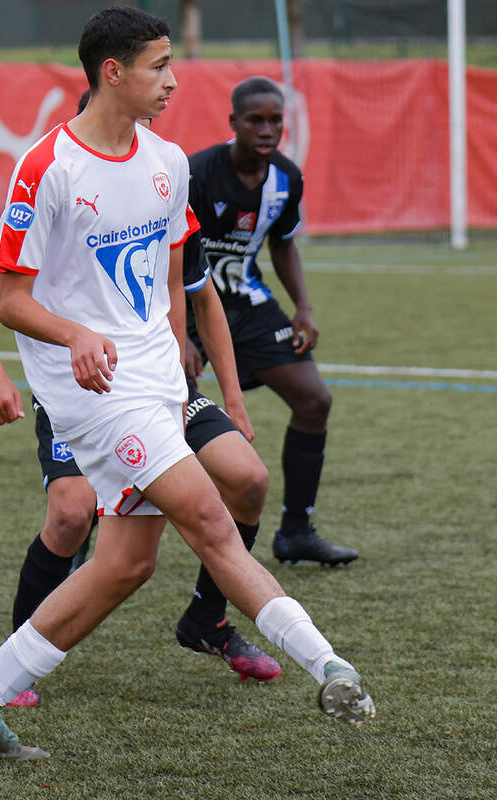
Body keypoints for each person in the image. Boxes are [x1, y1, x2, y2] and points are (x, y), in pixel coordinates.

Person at [0, 7, 373, 761]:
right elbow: (5, 297)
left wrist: (179, 363)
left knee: (125, 565)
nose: (173, 81)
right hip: (96, 396)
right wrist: (75, 335)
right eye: (159, 66)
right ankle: (328, 664)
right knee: (209, 517)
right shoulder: (47, 168)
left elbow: (174, 278)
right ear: (114, 71)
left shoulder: (167, 163)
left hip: (154, 380)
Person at [0, 98, 281, 706]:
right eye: (155, 73)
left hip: (160, 385)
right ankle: (15, 662)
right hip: (82, 389)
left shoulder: (156, 184)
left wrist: (231, 397)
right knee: (71, 513)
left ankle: (207, 622)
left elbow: (198, 295)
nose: (165, 96)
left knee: (248, 480)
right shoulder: (55, 184)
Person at [186, 76, 358, 567]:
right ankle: (88, 532)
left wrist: (302, 307)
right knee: (157, 416)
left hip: (248, 305)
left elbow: (283, 242)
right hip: (191, 306)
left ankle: (296, 531)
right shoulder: (196, 174)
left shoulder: (286, 178)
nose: (267, 129)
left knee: (314, 400)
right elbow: (164, 256)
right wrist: (179, 335)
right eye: (255, 120)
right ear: (234, 123)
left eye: (275, 120)